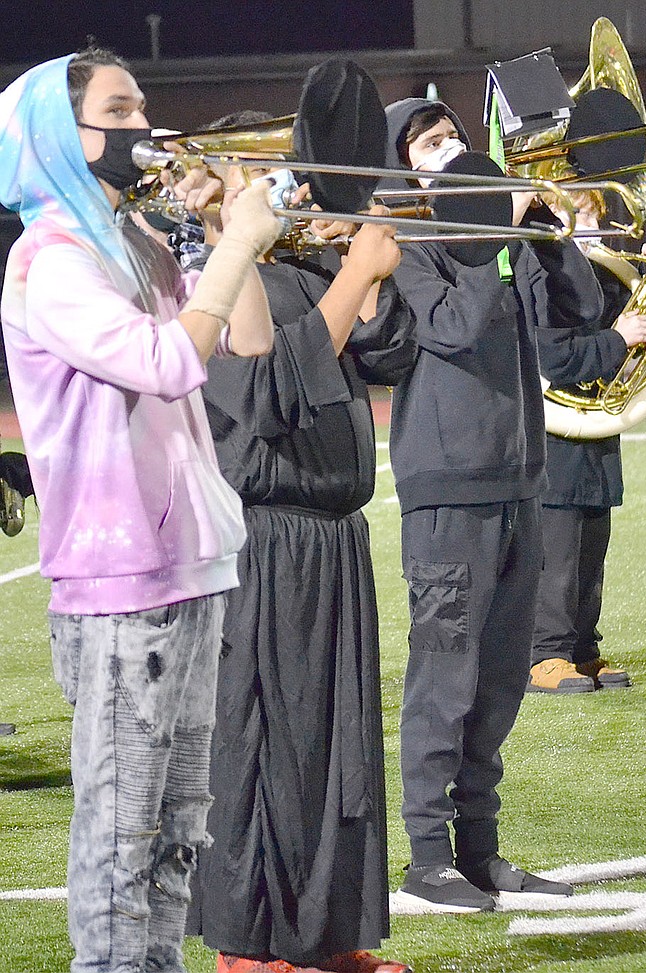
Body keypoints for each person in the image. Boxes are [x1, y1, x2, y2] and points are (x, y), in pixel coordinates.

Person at [0, 48, 281, 973]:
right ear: (58, 135)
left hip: (192, 564)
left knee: (177, 832)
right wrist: (235, 243)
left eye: (142, 106)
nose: (142, 126)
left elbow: (247, 338)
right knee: (123, 833)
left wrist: (217, 237)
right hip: (120, 580)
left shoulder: (133, 244)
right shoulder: (51, 262)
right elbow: (167, 362)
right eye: (118, 109)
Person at [181, 111, 416, 973]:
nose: (294, 189)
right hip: (262, 539)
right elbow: (274, 385)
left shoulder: (300, 264)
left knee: (332, 748)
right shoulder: (213, 278)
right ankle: (248, 946)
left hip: (330, 540)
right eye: (271, 173)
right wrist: (355, 270)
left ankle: (320, 934)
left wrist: (365, 264)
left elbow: (393, 351)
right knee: (261, 742)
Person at [383, 97, 603, 911]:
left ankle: (480, 849)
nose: (449, 147)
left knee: (502, 679)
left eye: (453, 136)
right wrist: (492, 237)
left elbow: (578, 315)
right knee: (445, 676)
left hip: (519, 482)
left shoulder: (505, 240)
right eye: (428, 141)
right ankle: (428, 852)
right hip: (447, 489)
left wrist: (552, 232)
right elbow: (447, 324)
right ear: (405, 165)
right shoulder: (407, 240)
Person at [528, 189, 646, 693]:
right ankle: (545, 653)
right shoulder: (537, 276)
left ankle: (583, 648)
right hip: (556, 434)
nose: (583, 224)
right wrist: (619, 338)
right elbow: (554, 357)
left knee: (590, 553)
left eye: (587, 214)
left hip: (597, 434)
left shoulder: (599, 280)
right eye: (570, 213)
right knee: (557, 554)